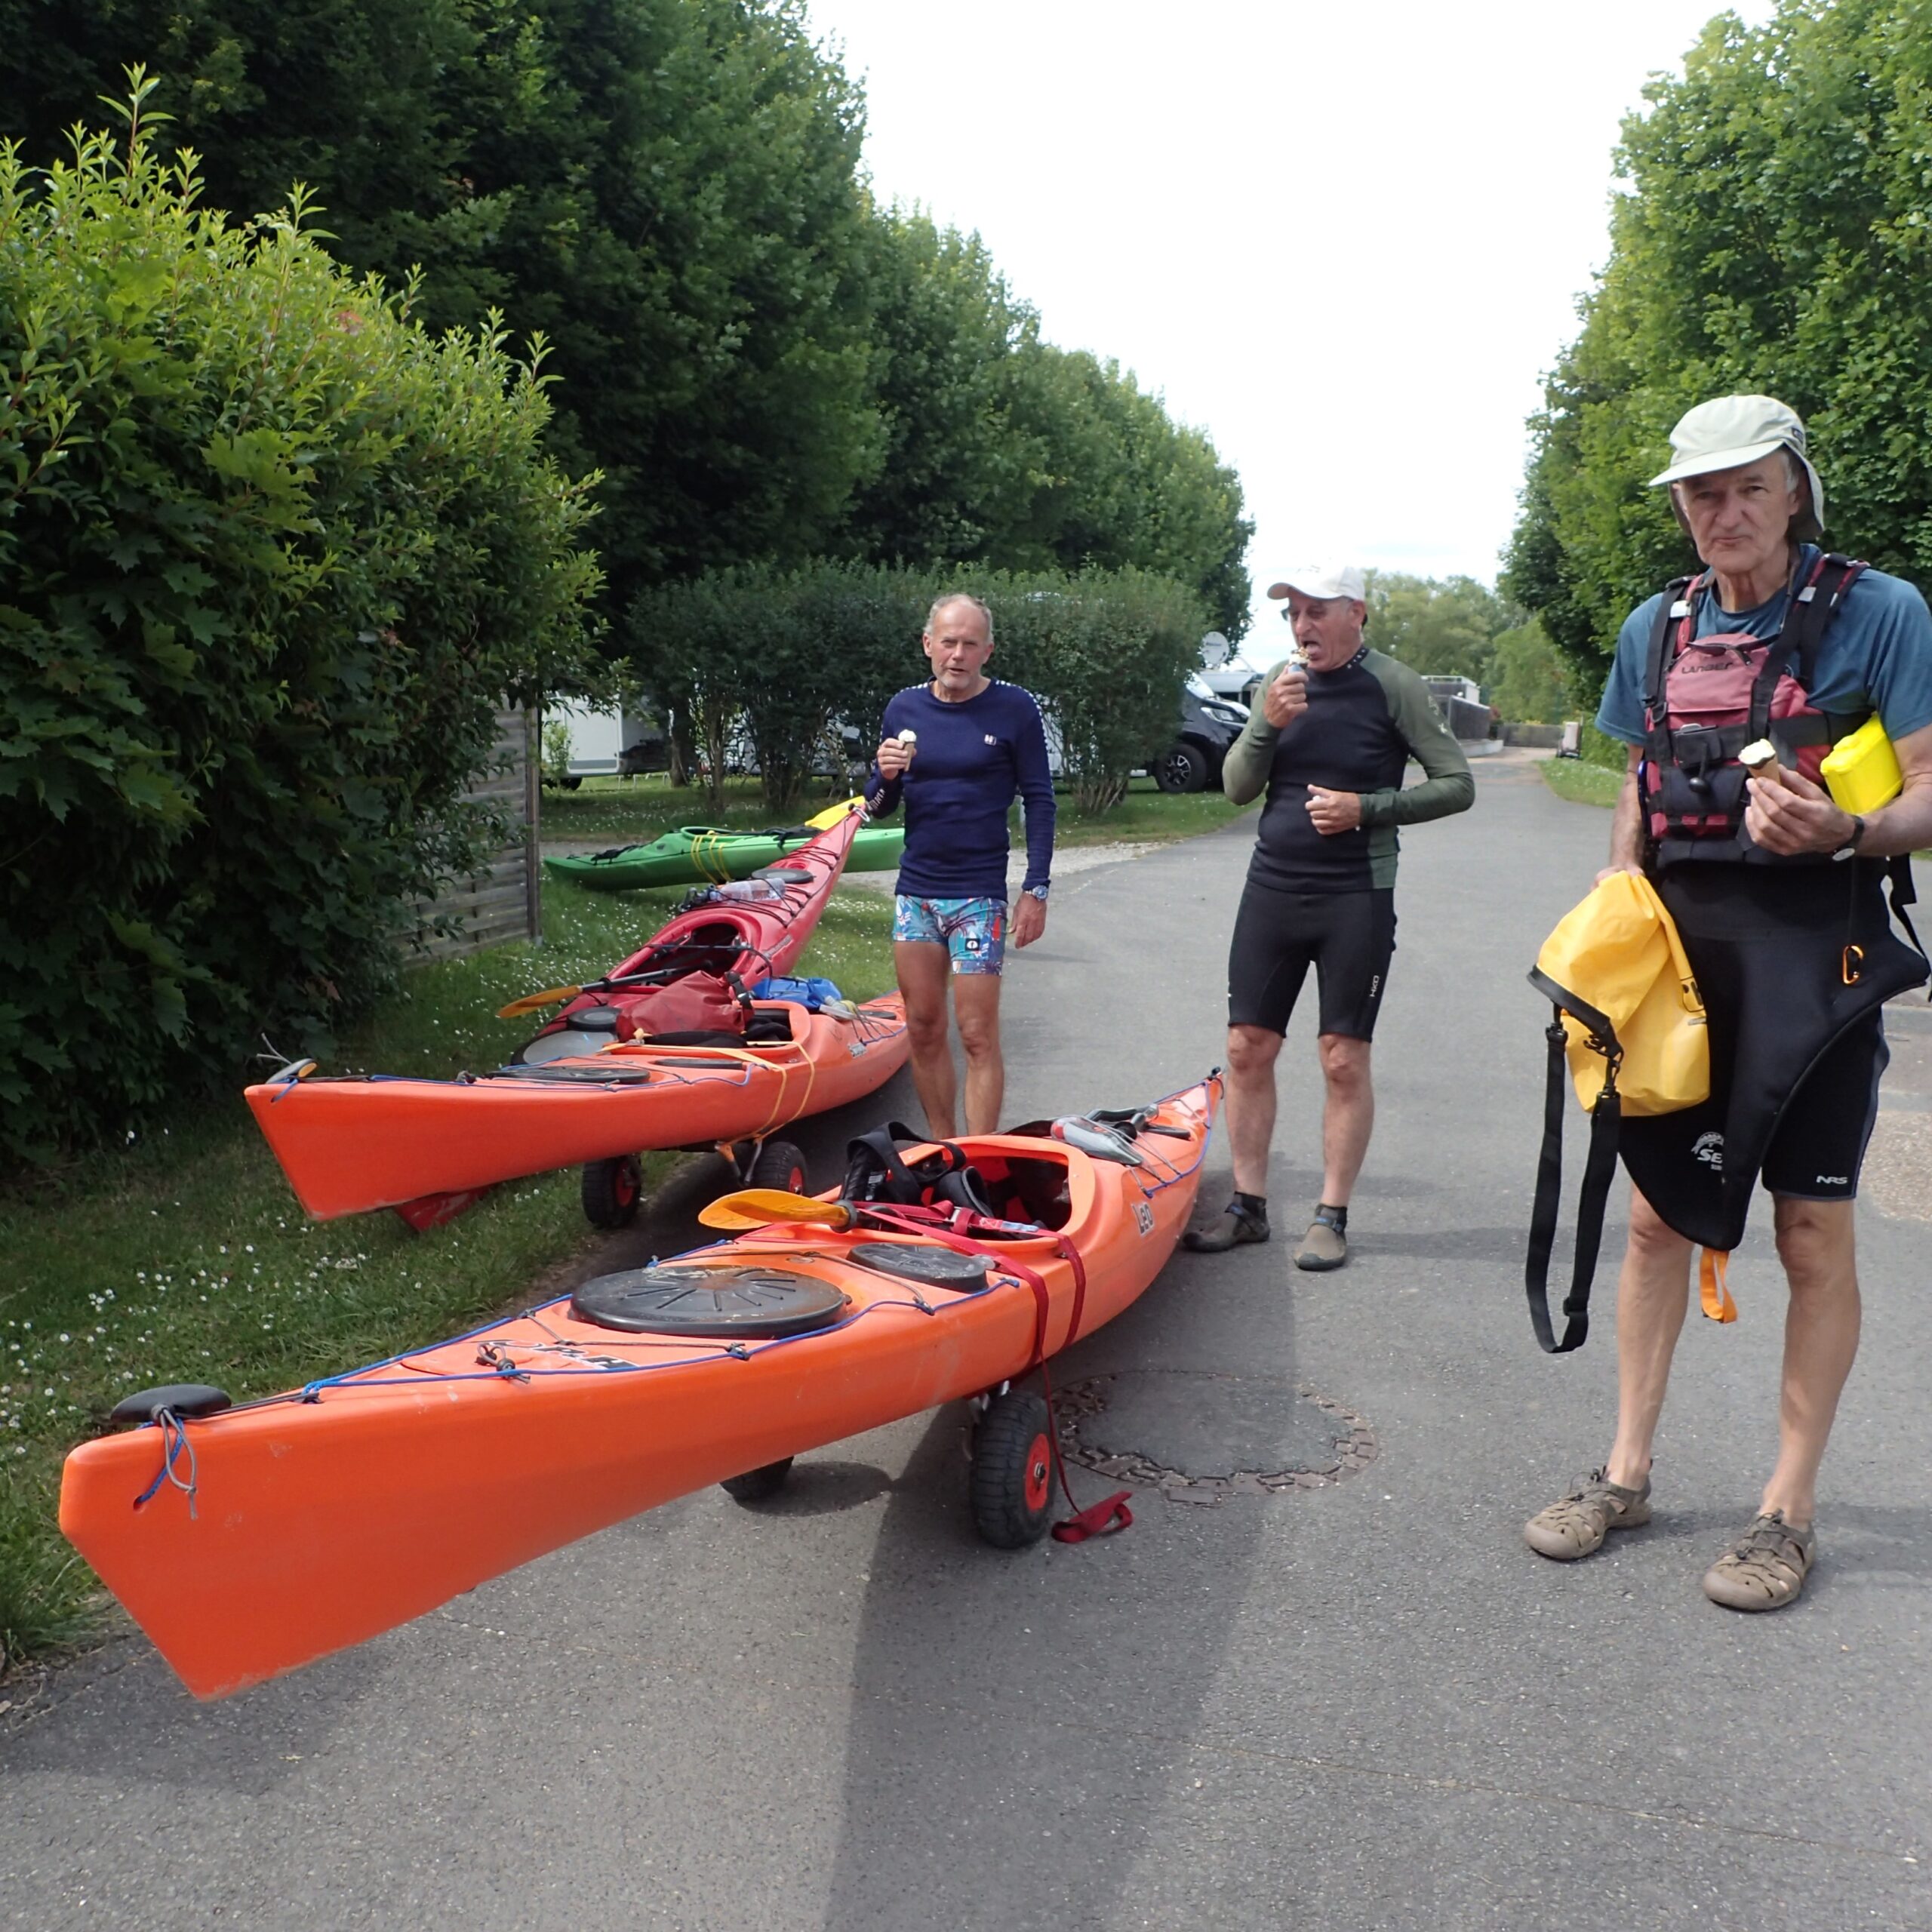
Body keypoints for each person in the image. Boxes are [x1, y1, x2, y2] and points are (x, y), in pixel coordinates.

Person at [1524, 395, 1932, 1611]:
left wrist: (1849, 829)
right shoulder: (1655, 627)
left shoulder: (1882, 611)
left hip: (1819, 955)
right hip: (1681, 964)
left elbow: (1928, 787)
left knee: (1810, 1233)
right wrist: (1617, 896)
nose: (1727, 511)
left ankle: (1785, 1511)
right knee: (1657, 1221)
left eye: (1751, 486)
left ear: (1794, 489)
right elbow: (1638, 782)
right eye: (1704, 492)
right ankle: (1625, 1472)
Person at [1185, 564, 1474, 1269]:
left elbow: (1457, 784)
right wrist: (1268, 721)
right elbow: (1235, 789)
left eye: (1317, 610)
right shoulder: (1278, 685)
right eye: (1293, 613)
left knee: (1342, 1058)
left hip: (1356, 895)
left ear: (1356, 614)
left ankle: (1331, 1215)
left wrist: (1365, 809)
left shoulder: (1393, 684)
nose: (1303, 625)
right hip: (1272, 889)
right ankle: (1247, 1207)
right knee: (1247, 1048)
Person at [866, 593, 1054, 1137]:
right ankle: (944, 1151)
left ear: (987, 651)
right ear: (928, 644)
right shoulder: (904, 709)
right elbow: (878, 806)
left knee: (976, 1034)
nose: (958, 654)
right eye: (948, 642)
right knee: (924, 1028)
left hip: (979, 897)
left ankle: (981, 1156)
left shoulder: (1014, 708)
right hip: (916, 895)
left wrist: (1036, 888)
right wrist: (884, 775)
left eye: (970, 644)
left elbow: (1039, 799)